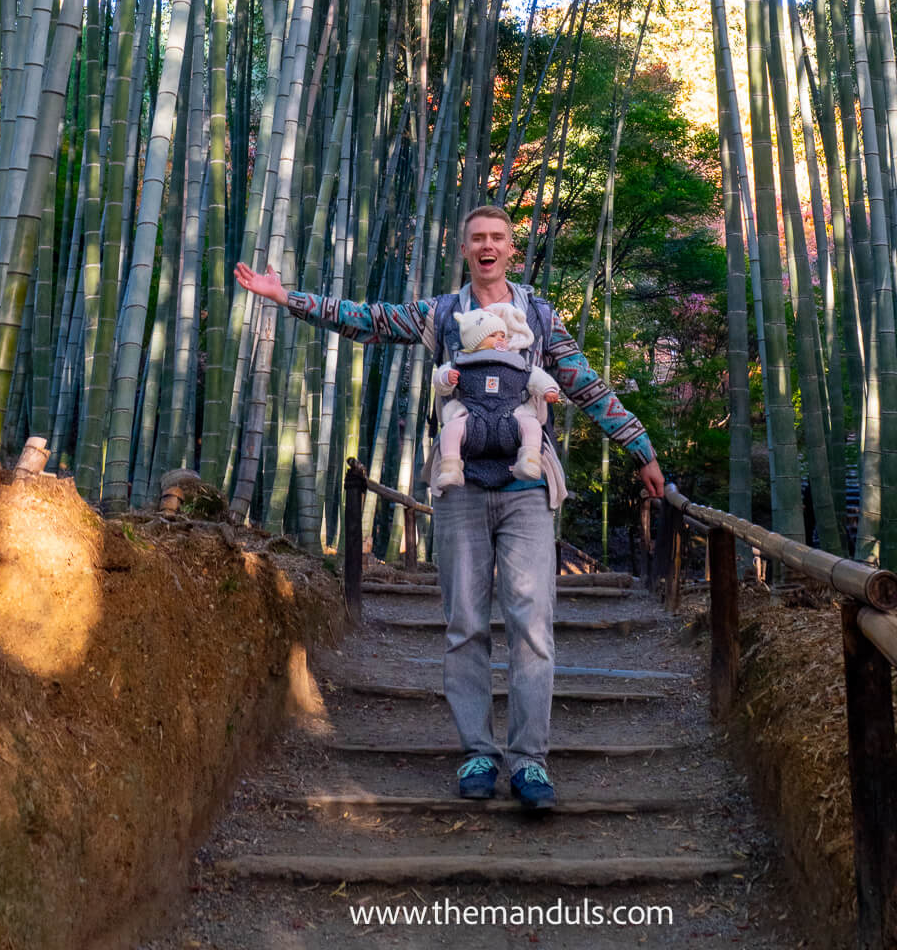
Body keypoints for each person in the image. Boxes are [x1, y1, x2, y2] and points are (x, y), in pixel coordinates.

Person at [234, 202, 665, 813]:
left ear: (513, 249)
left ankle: (530, 763)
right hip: (461, 490)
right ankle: (477, 751)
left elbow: (586, 384)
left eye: (498, 238)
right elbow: (371, 320)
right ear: (464, 249)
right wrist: (288, 298)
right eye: (477, 239)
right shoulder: (443, 312)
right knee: (465, 624)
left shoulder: (539, 315)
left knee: (532, 627)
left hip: (528, 490)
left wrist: (640, 447)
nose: (487, 246)